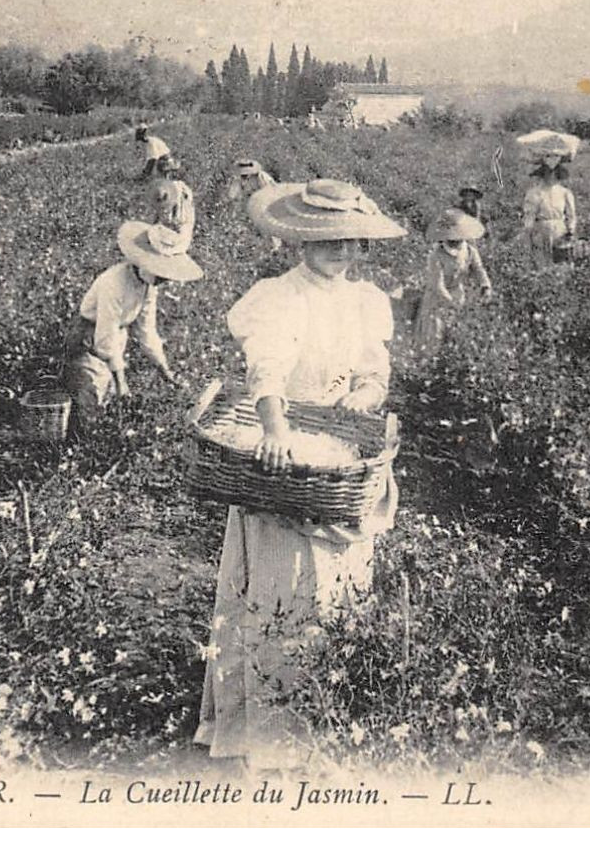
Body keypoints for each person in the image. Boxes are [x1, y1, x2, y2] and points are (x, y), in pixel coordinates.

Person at [196, 178, 406, 768]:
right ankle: (267, 734)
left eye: (349, 241)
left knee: (336, 592)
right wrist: (276, 432)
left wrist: (359, 403)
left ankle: (324, 712)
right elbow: (268, 373)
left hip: (339, 453)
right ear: (299, 243)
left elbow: (373, 374)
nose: (340, 251)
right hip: (286, 458)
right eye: (327, 240)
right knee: (282, 589)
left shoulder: (366, 300)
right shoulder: (278, 298)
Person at [62, 221, 202, 430]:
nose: (165, 280)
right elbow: (105, 336)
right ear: (146, 264)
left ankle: (103, 426)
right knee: (95, 389)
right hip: (87, 340)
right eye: (161, 273)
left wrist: (165, 371)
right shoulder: (115, 282)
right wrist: (121, 381)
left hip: (115, 339)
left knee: (109, 391)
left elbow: (146, 332)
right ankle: (80, 437)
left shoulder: (148, 286)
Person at [413, 207, 492, 352]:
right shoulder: (436, 255)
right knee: (434, 337)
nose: (454, 240)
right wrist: (451, 303)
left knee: (455, 336)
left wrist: (485, 285)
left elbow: (479, 270)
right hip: (436, 301)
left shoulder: (469, 251)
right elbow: (438, 285)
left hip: (457, 294)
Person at [521, 157, 577, 264]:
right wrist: (529, 233)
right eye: (547, 172)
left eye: (554, 172)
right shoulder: (534, 193)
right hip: (541, 229)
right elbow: (529, 215)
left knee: (561, 259)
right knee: (542, 260)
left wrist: (571, 230)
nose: (551, 175)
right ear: (542, 173)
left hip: (560, 230)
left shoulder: (564, 192)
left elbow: (571, 215)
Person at [225, 159, 282, 253]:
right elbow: (232, 195)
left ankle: (275, 249)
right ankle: (247, 246)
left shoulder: (261, 176)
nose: (244, 175)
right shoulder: (239, 180)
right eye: (242, 173)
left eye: (246, 173)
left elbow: (270, 192)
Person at [147, 155, 196, 252]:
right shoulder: (184, 187)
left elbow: (171, 217)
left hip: (175, 233)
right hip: (185, 231)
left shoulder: (170, 190)